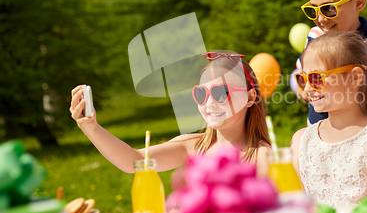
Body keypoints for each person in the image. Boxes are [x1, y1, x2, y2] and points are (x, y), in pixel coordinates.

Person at [69, 52, 271, 175]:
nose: (209, 102)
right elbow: (135, 162)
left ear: (251, 97)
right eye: (201, 93)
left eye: (221, 93)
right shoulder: (193, 147)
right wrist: (91, 127)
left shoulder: (262, 156)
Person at [291, 31, 367, 213]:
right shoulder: (301, 139)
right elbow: (297, 212)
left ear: (354, 77)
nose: (308, 89)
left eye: (317, 78)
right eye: (303, 79)